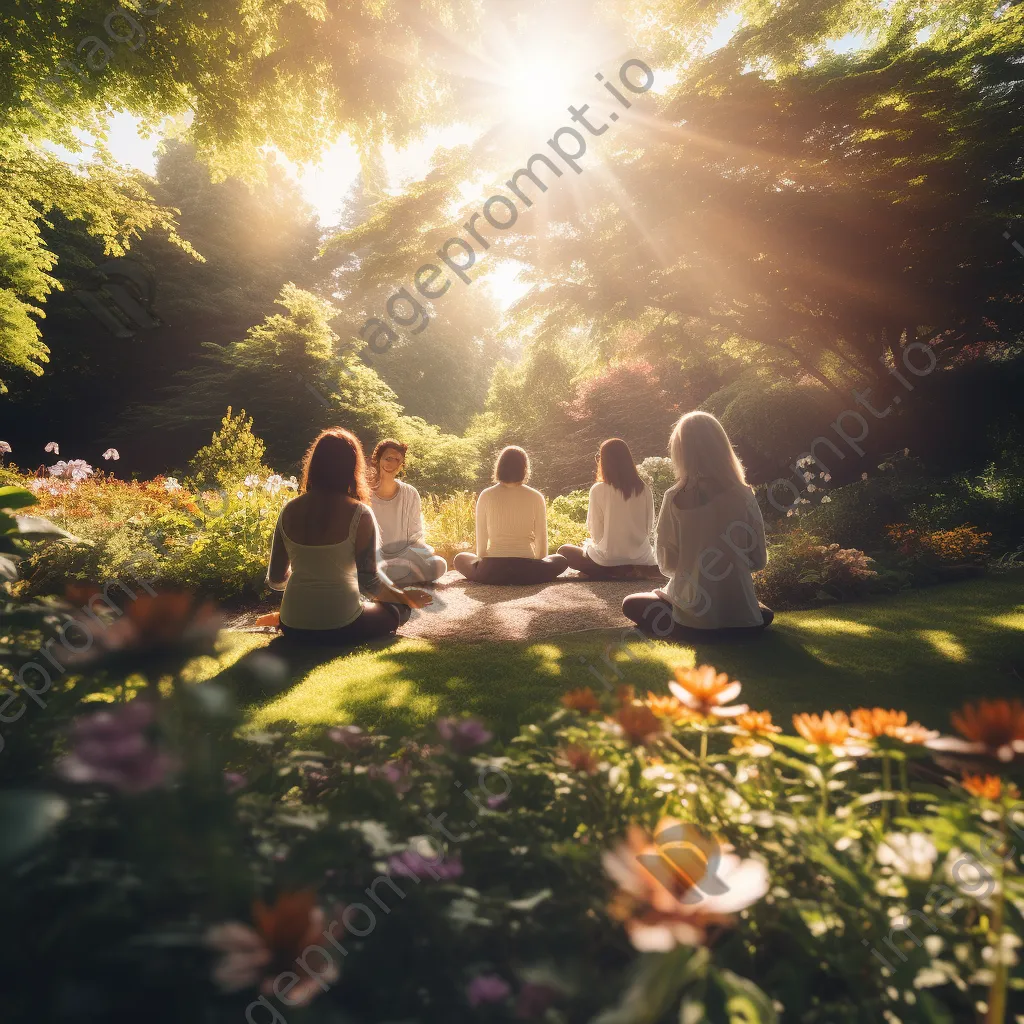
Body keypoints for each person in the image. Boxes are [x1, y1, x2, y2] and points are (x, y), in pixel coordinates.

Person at [266, 428, 432, 645]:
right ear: (353, 467)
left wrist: (310, 581)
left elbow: (276, 579)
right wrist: (405, 598)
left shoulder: (288, 510)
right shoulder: (360, 514)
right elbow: (369, 582)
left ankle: (297, 621)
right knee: (397, 609)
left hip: (292, 624)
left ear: (314, 464)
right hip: (342, 624)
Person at [622, 411, 774, 641]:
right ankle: (740, 618)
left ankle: (695, 628)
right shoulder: (744, 495)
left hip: (693, 616)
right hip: (745, 622)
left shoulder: (674, 497)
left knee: (631, 604)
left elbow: (667, 564)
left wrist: (694, 570)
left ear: (681, 451)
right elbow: (759, 560)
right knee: (761, 611)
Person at [453, 445, 569, 584]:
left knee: (460, 558)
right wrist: (538, 567)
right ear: (525, 469)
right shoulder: (536, 496)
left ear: (499, 467)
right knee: (560, 560)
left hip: (493, 570)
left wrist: (484, 567)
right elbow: (541, 543)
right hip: (528, 570)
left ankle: (491, 576)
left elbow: (482, 545)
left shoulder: (486, 495)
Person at [557, 438, 663, 579]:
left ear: (605, 461)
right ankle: (629, 570)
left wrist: (605, 544)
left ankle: (612, 572)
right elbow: (648, 527)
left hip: (607, 559)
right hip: (642, 559)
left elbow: (595, 530)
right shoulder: (644, 489)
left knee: (565, 551)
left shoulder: (598, 490)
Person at [368, 438, 448, 584]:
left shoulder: (410, 493)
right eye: (388, 458)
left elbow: (416, 536)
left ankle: (386, 581)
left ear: (401, 465)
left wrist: (422, 553)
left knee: (439, 564)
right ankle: (395, 579)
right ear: (378, 459)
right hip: (373, 559)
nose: (391, 464)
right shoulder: (364, 492)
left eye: (397, 460)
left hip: (403, 558)